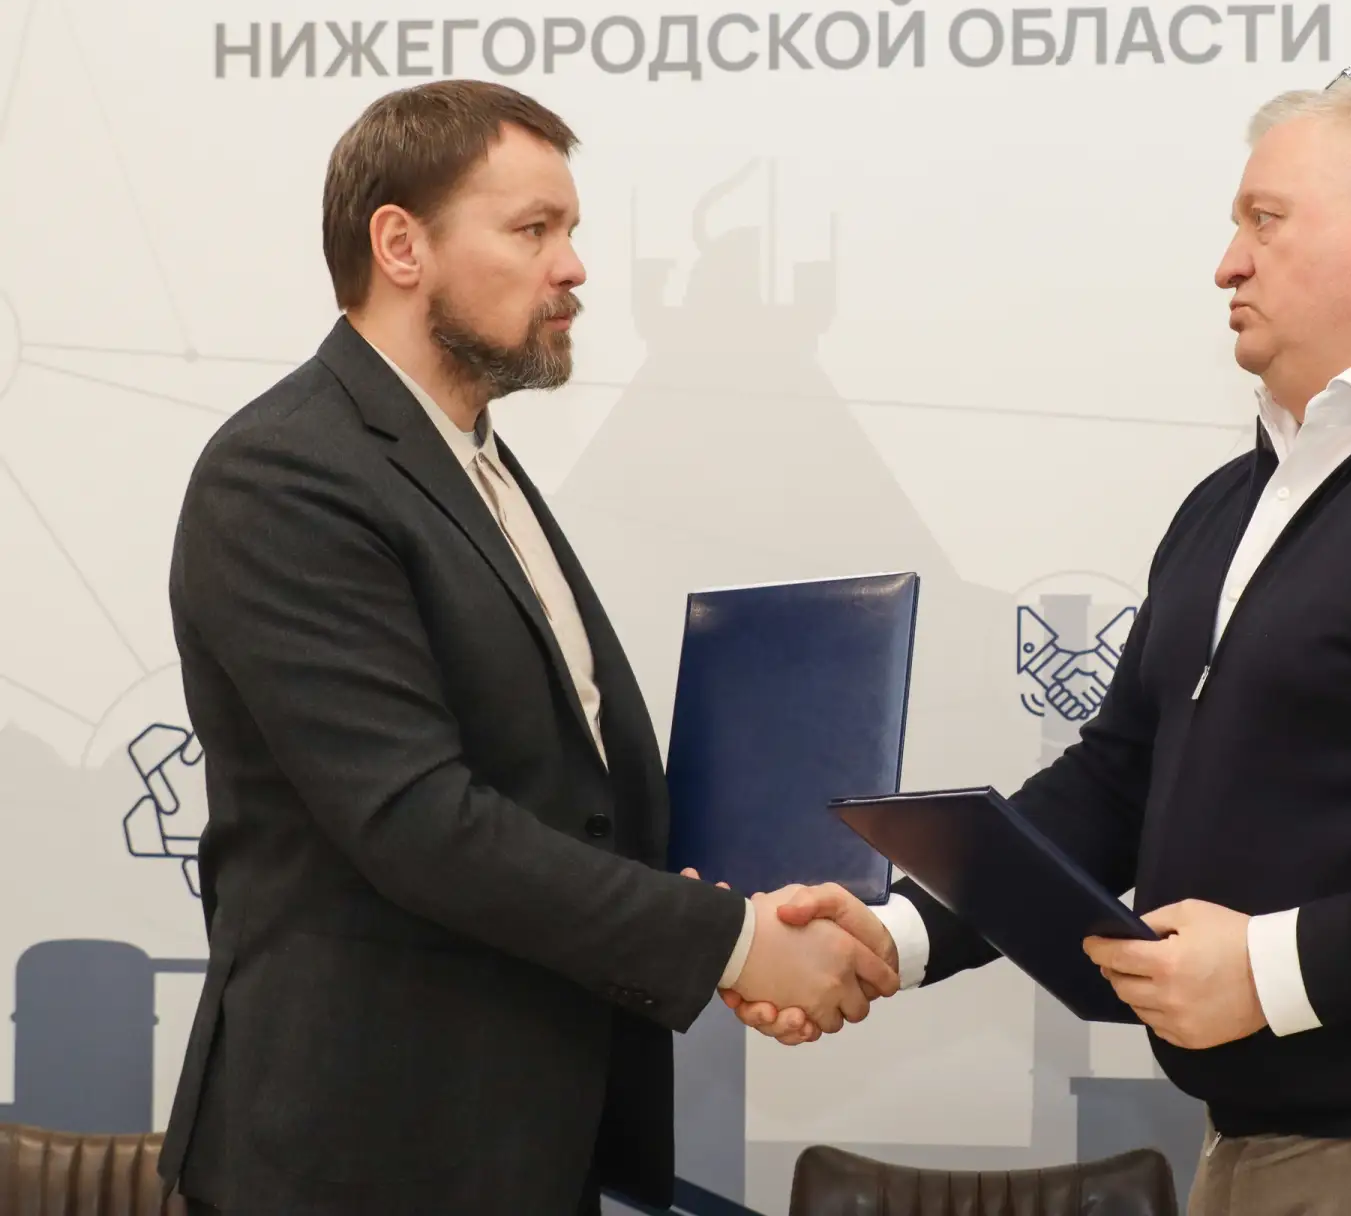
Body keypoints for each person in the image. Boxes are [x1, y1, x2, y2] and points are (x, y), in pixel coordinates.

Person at [722, 71, 1351, 1214]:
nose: (1227, 263)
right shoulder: (1233, 503)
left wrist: (1271, 969)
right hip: (1276, 1137)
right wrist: (896, 935)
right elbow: (1119, 779)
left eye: (1264, 219)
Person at [156, 79, 896, 1216]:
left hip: (521, 1138)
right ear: (401, 245)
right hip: (358, 1156)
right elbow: (419, 822)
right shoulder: (286, 473)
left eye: (572, 230)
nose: (575, 268)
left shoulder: (474, 463)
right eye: (533, 229)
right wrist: (735, 941)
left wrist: (749, 915)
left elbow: (568, 795)